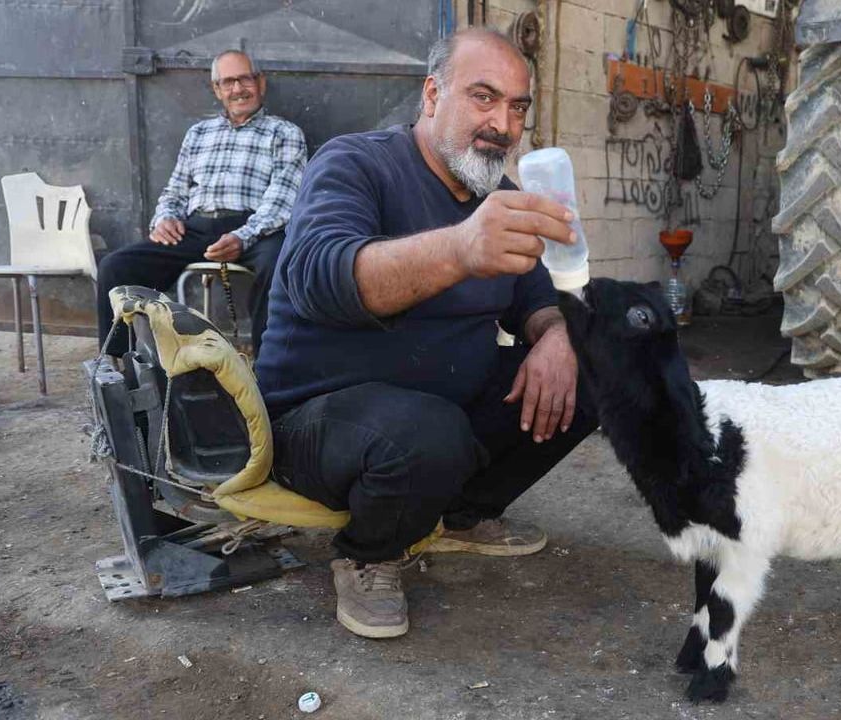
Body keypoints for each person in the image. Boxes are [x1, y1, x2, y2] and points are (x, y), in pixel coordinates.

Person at [255, 28, 598, 639]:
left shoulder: (500, 195)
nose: (503, 123)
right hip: (315, 416)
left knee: (601, 361)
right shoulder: (354, 163)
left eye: (517, 107)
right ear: (433, 95)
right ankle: (368, 552)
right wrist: (462, 248)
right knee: (425, 436)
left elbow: (538, 301)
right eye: (483, 97)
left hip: (439, 402)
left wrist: (555, 338)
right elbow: (319, 277)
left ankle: (461, 517)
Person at [96, 49, 306, 358]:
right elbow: (176, 190)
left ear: (260, 83)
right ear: (217, 89)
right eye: (228, 82)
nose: (238, 89)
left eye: (245, 79)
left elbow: (283, 200)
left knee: (278, 265)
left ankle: (269, 368)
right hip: (196, 228)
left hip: (254, 229)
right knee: (116, 267)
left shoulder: (284, 133)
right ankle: (122, 368)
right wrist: (165, 218)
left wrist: (242, 236)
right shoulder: (198, 134)